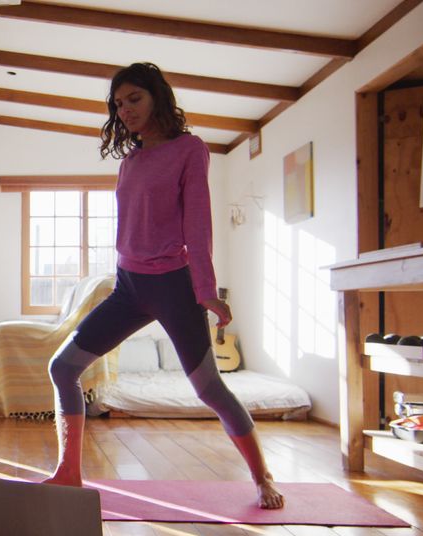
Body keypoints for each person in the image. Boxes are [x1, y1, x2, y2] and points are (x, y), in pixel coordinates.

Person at [41, 62, 285, 509]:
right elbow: (129, 226)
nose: (126, 110)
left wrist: (206, 289)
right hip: (130, 285)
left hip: (174, 283)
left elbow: (197, 221)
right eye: (118, 104)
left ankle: (263, 476)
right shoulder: (131, 160)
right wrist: (119, 277)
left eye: (134, 98)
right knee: (63, 367)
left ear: (157, 96)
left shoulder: (190, 149)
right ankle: (68, 472)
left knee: (209, 389)